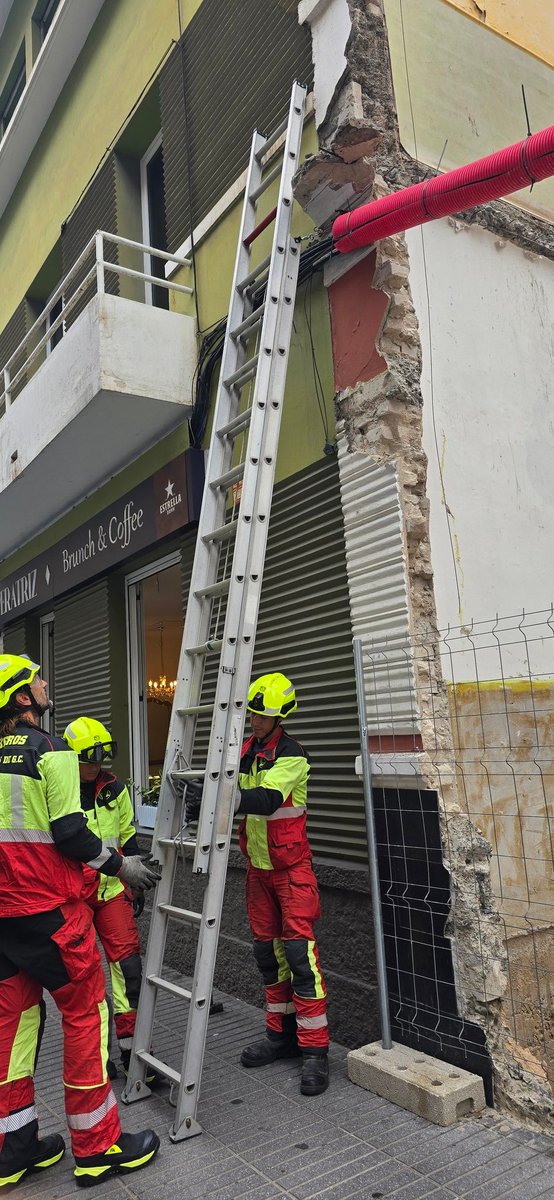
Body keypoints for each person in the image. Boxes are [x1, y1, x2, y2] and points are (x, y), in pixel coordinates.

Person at [0, 655, 161, 1190]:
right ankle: (98, 1147)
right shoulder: (50, 751)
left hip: (3, 922)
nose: (45, 684)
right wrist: (122, 867)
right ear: (23, 698)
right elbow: (70, 834)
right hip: (51, 915)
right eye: (37, 679)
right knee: (86, 1016)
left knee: (13, 1030)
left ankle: (12, 1148)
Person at [187, 672, 329, 1095]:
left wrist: (216, 796)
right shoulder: (247, 750)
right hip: (258, 873)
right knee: (269, 958)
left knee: (301, 960)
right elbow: (226, 781)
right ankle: (280, 1036)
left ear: (281, 716)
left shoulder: (293, 756)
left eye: (262, 715)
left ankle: (316, 1052)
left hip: (291, 874)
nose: (254, 720)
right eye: (252, 713)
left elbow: (266, 800)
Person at [63, 716, 160, 1085]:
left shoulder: (114, 789)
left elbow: (128, 835)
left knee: (129, 972)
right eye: (89, 759)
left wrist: (134, 882)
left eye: (101, 758)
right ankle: (96, 1058)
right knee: (85, 981)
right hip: (76, 896)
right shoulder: (61, 791)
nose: (96, 766)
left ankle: (133, 1052)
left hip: (114, 890)